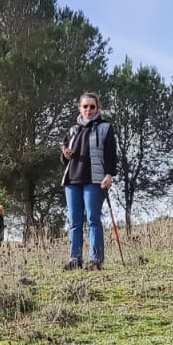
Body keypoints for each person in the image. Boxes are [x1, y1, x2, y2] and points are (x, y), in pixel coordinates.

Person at [60, 92, 117, 270]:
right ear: (80, 108)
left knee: (93, 219)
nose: (88, 110)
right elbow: (64, 157)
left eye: (92, 106)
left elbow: (111, 155)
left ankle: (95, 260)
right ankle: (74, 259)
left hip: (95, 180)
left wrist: (109, 175)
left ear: (97, 108)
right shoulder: (72, 130)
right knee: (74, 222)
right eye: (85, 106)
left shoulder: (105, 128)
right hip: (72, 180)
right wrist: (65, 155)